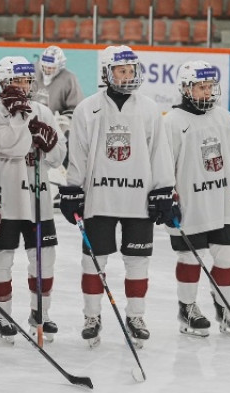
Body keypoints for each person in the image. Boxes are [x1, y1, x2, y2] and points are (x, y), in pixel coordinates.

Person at [60, 45, 176, 348]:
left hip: (139, 198)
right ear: (106, 72)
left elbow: (159, 151)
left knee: (138, 261)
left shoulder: (149, 108)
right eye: (121, 70)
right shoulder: (88, 108)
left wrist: (163, 189)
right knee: (94, 261)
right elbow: (79, 153)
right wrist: (73, 188)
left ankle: (136, 316)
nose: (127, 75)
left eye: (131, 70)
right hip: (100, 197)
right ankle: (92, 316)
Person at [163, 60, 230, 337]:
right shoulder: (172, 122)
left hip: (220, 201)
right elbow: (165, 164)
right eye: (202, 87)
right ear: (186, 89)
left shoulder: (223, 117)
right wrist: (167, 195)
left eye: (210, 86)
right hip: (190, 205)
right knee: (190, 257)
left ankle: (226, 310)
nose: (208, 92)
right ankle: (187, 310)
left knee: (228, 254)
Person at [0, 57, 66, 344]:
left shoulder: (42, 110)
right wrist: (20, 119)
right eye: (16, 81)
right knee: (0, 261)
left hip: (39, 199)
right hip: (7, 201)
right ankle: (2, 315)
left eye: (26, 81)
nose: (22, 86)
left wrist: (52, 142)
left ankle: (40, 314)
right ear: (3, 82)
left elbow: (58, 159)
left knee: (44, 260)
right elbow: (11, 147)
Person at [33, 46, 84, 207]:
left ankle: (65, 184)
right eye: (45, 66)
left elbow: (75, 108)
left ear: (60, 66)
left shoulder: (69, 79)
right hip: (32, 122)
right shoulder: (32, 72)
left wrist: (64, 122)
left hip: (58, 123)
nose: (47, 70)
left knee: (67, 144)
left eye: (51, 67)